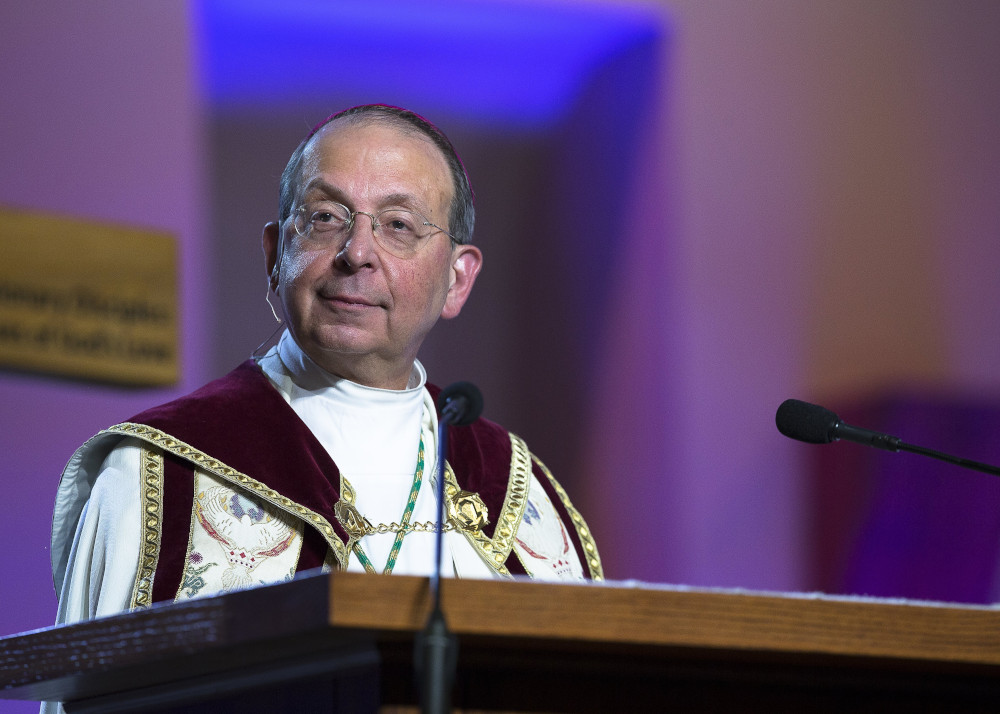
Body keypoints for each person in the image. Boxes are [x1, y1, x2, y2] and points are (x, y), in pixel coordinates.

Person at [50, 105, 603, 627]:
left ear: (457, 279)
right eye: (325, 218)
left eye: (398, 225)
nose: (356, 252)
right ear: (274, 255)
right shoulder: (158, 474)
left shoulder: (520, 489)